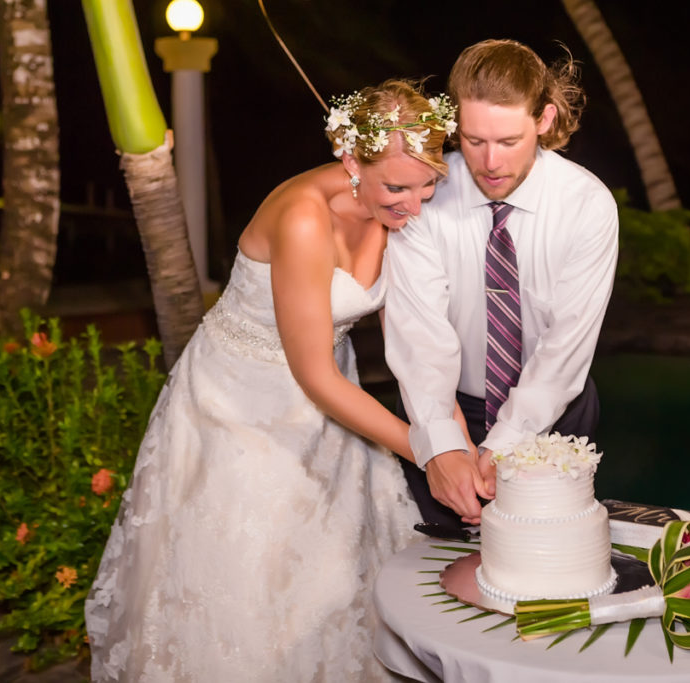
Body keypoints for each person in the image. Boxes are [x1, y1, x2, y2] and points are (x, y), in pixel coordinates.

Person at [84, 80, 456, 682]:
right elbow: (312, 375)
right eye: (397, 187)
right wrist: (426, 448)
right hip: (239, 405)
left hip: (335, 396)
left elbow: (412, 343)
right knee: (254, 575)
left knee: (334, 573)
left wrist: (449, 427)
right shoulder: (304, 218)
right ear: (349, 158)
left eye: (427, 184)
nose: (414, 205)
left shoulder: (396, 205)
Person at [384, 40, 619, 529]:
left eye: (508, 141)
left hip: (556, 410)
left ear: (545, 120)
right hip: (449, 408)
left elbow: (566, 345)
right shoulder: (423, 195)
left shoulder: (587, 205)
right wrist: (442, 445)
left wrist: (507, 443)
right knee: (439, 566)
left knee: (544, 560)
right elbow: (418, 333)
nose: (490, 161)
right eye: (473, 140)